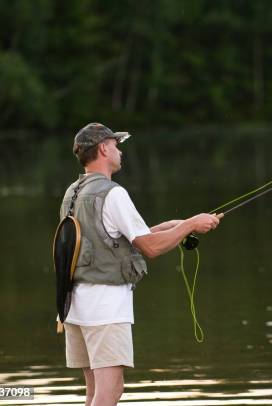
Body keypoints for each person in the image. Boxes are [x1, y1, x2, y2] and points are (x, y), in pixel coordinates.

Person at [59, 123, 221, 406]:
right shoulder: (112, 193)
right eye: (116, 145)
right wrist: (193, 223)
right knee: (110, 391)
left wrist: (174, 226)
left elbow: (111, 240)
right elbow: (150, 248)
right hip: (104, 308)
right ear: (104, 148)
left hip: (74, 306)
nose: (120, 151)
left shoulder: (73, 193)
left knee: (94, 391)